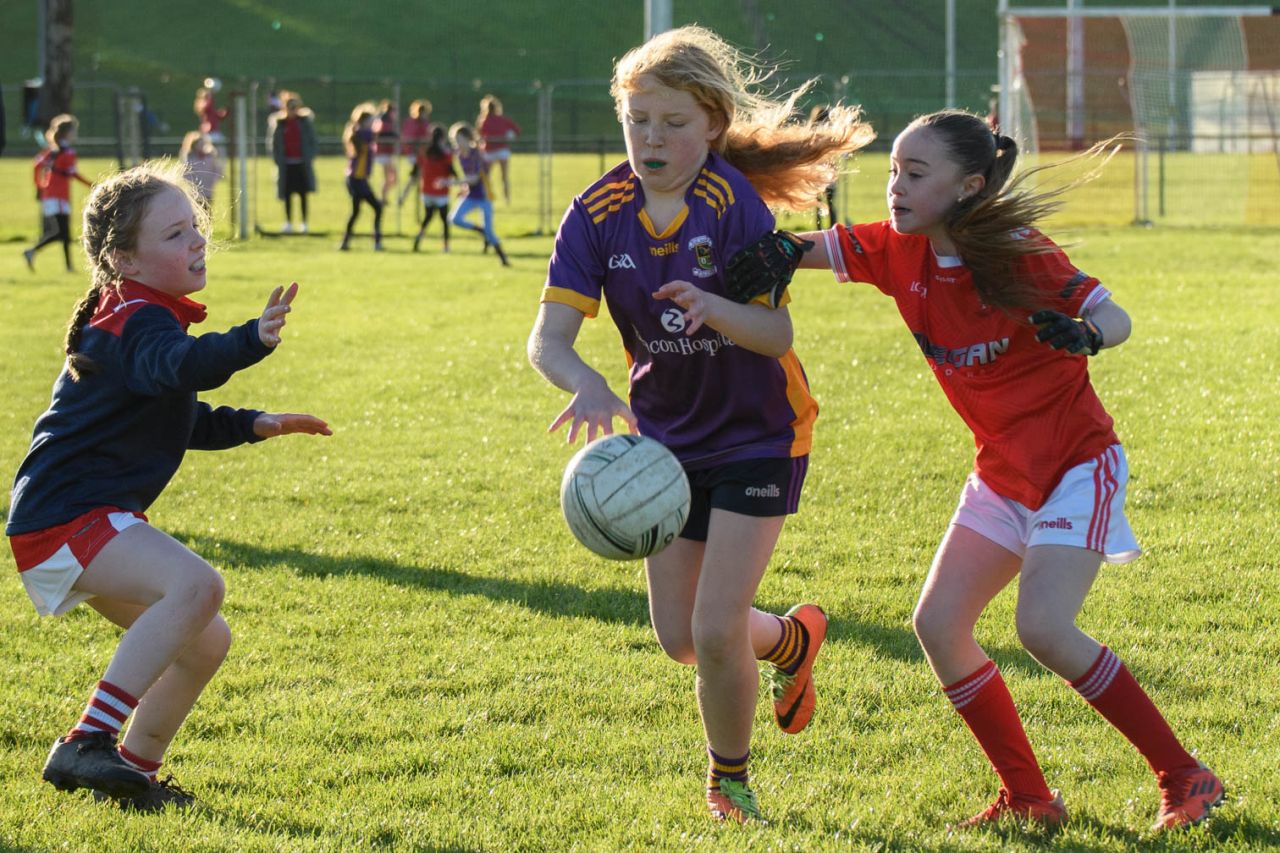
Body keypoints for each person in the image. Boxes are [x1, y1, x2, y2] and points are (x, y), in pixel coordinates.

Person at [759, 108, 1223, 833]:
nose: (895, 187)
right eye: (892, 172)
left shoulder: (1016, 253)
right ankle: (1030, 796)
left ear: (969, 185)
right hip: (1001, 473)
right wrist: (765, 253)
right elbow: (801, 248)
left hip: (1076, 465)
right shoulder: (894, 250)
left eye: (915, 174)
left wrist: (1087, 333)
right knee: (940, 623)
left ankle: (1185, 773)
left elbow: (1116, 315)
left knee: (1042, 625)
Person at [526, 25, 873, 824]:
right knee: (680, 636)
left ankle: (730, 781)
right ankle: (791, 639)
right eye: (638, 119)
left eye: (673, 123)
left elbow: (776, 335)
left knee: (715, 630)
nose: (653, 138)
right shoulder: (597, 212)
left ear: (712, 126)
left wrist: (717, 307)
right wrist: (583, 382)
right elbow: (548, 340)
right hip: (667, 447)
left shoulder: (732, 204)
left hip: (760, 430)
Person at [5, 161, 331, 813]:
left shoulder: (140, 313)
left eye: (197, 227)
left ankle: (132, 773)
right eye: (177, 233)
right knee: (198, 586)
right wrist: (250, 340)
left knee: (206, 637)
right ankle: (88, 738)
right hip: (65, 516)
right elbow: (183, 367)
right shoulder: (136, 318)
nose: (197, 241)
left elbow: (172, 414)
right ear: (124, 258)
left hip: (63, 517)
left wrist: (254, 425)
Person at [24, 114, 92, 272]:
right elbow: (73, 173)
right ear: (68, 133)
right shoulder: (67, 152)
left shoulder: (52, 150)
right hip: (59, 196)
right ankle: (32, 251)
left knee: (63, 232)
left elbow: (36, 165)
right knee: (62, 232)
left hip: (50, 195)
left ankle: (68, 267)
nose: (75, 134)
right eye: (74, 131)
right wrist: (93, 185)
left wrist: (40, 186)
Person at [448, 122, 509, 266]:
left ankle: (503, 258)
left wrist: (451, 183)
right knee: (454, 219)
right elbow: (468, 176)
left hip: (484, 196)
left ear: (466, 139)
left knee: (490, 231)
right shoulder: (460, 155)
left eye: (459, 140)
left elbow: (475, 178)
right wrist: (463, 187)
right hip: (470, 195)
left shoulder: (477, 154)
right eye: (455, 140)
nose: (457, 143)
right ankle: (480, 230)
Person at [269, 92, 318, 234]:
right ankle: (288, 223)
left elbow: (312, 141)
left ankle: (304, 223)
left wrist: (309, 156)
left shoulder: (304, 122)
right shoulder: (280, 124)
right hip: (286, 164)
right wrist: (277, 160)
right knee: (287, 193)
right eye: (290, 107)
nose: (292, 110)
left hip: (301, 163)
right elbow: (274, 144)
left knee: (303, 194)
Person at [339, 103, 383, 252]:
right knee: (376, 208)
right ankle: (376, 242)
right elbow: (374, 134)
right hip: (356, 179)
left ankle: (345, 242)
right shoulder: (361, 133)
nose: (374, 123)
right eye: (371, 120)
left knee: (357, 211)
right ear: (364, 121)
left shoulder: (363, 133)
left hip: (359, 178)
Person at [412, 125, 456, 253]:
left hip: (426, 192)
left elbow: (415, 170)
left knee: (428, 217)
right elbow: (452, 172)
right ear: (443, 138)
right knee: (444, 221)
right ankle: (446, 246)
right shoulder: (446, 155)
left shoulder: (424, 152)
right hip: (441, 193)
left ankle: (418, 238)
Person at [477, 94, 520, 204]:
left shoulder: (483, 121)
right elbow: (517, 130)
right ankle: (507, 199)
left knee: (486, 177)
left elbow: (480, 136)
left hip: (489, 151)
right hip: (501, 151)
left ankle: (486, 196)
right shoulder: (502, 119)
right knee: (504, 177)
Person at [808, 105, 838, 230]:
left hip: (816, 174)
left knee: (818, 205)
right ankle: (833, 228)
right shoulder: (830, 135)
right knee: (830, 204)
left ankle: (818, 229)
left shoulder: (812, 135)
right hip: (829, 174)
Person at [178, 131, 224, 211]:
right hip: (195, 192)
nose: (202, 146)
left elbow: (218, 170)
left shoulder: (210, 157)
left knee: (208, 212)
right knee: (197, 214)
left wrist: (213, 180)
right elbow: (185, 173)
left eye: (203, 144)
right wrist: (194, 184)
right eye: (199, 144)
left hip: (208, 190)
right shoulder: (189, 158)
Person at [372, 100, 399, 204]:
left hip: (385, 153)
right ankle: (382, 197)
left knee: (391, 178)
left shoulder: (386, 120)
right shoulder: (385, 121)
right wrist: (395, 136)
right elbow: (384, 134)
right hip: (383, 153)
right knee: (391, 177)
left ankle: (383, 197)